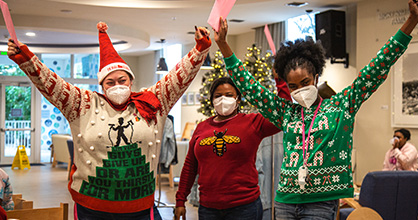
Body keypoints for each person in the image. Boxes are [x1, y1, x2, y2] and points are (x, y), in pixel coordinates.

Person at [214, 0, 418, 218]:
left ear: (316, 77)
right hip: (285, 201)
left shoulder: (342, 105)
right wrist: (224, 45)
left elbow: (378, 67)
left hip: (320, 203)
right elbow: (249, 87)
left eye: (305, 82)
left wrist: (412, 21)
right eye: (292, 86)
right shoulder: (286, 111)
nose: (300, 90)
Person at [7, 22, 211, 219]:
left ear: (131, 81)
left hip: (140, 206)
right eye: (110, 82)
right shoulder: (82, 103)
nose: (117, 86)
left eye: (122, 80)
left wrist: (200, 49)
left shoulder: (152, 101)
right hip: (91, 207)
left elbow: (178, 76)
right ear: (102, 86)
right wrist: (25, 58)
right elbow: (52, 83)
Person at [174, 77, 290, 220]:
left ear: (238, 99)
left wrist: (281, 81)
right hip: (208, 208)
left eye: (229, 95)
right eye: (218, 96)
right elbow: (190, 166)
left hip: (244, 208)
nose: (223, 99)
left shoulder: (252, 122)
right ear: (212, 100)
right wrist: (180, 200)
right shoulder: (202, 128)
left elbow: (282, 114)